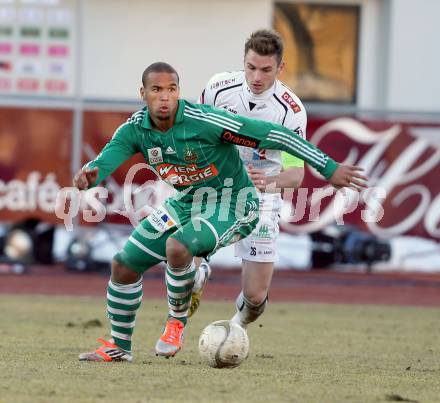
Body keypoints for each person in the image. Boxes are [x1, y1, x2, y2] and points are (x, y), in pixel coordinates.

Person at [74, 62, 367, 362]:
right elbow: (106, 158)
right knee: (123, 264)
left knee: (179, 246)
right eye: (157, 90)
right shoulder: (135, 129)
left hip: (235, 203)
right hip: (186, 203)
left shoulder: (206, 121)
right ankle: (120, 347)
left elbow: (276, 135)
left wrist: (328, 167)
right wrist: (90, 175)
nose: (165, 97)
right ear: (143, 93)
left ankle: (176, 323)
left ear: (179, 92)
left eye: (171, 89)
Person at [191, 29, 307, 328]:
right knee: (185, 260)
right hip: (217, 187)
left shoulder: (291, 113)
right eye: (251, 67)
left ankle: (235, 328)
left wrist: (266, 182)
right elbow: (197, 138)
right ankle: (195, 274)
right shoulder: (218, 89)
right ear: (244, 62)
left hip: (261, 196)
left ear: (280, 68)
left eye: (266, 70)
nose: (256, 77)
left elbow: (295, 176)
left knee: (255, 299)